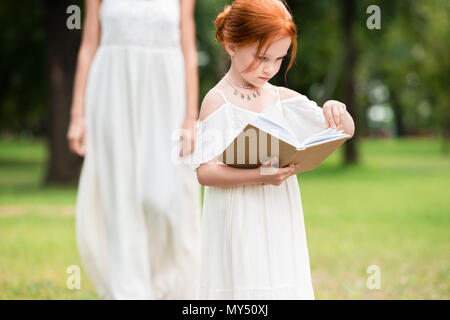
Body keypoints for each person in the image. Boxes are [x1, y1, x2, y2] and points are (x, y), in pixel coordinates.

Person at [190, 0, 355, 299]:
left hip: (279, 213)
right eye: (263, 57)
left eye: (279, 59)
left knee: (279, 281)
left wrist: (335, 108)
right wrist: (261, 176)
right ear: (232, 45)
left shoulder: (281, 98)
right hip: (239, 218)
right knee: (245, 287)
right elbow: (205, 171)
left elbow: (344, 129)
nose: (270, 69)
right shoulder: (218, 101)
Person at [67, 0, 201, 299]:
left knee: (162, 198)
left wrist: (191, 117)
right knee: (120, 195)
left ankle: (164, 286)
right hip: (112, 91)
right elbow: (88, 46)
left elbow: (189, 50)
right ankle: (128, 290)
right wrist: (78, 116)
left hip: (166, 94)